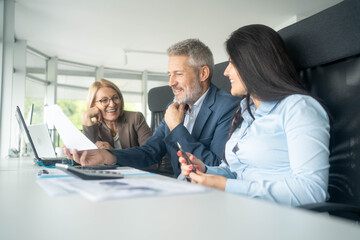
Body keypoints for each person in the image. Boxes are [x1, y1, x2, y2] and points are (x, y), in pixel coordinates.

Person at [178, 24, 330, 206]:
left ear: (254, 64)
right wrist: (206, 170)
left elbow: (312, 190)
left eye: (232, 63)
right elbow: (235, 172)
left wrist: (226, 186)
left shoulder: (299, 108)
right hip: (243, 211)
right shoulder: (246, 112)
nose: (226, 72)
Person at [64, 39, 239, 177]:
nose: (171, 83)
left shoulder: (228, 107)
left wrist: (177, 128)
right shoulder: (174, 107)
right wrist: (106, 156)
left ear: (203, 73)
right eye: (170, 75)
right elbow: (149, 152)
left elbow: (216, 166)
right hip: (178, 188)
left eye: (178, 74)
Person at [82, 78, 152, 149]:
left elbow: (150, 153)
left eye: (115, 98)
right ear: (93, 105)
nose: (112, 104)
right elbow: (87, 154)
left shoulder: (136, 118)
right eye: (104, 100)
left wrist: (114, 153)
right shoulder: (94, 128)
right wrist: (85, 117)